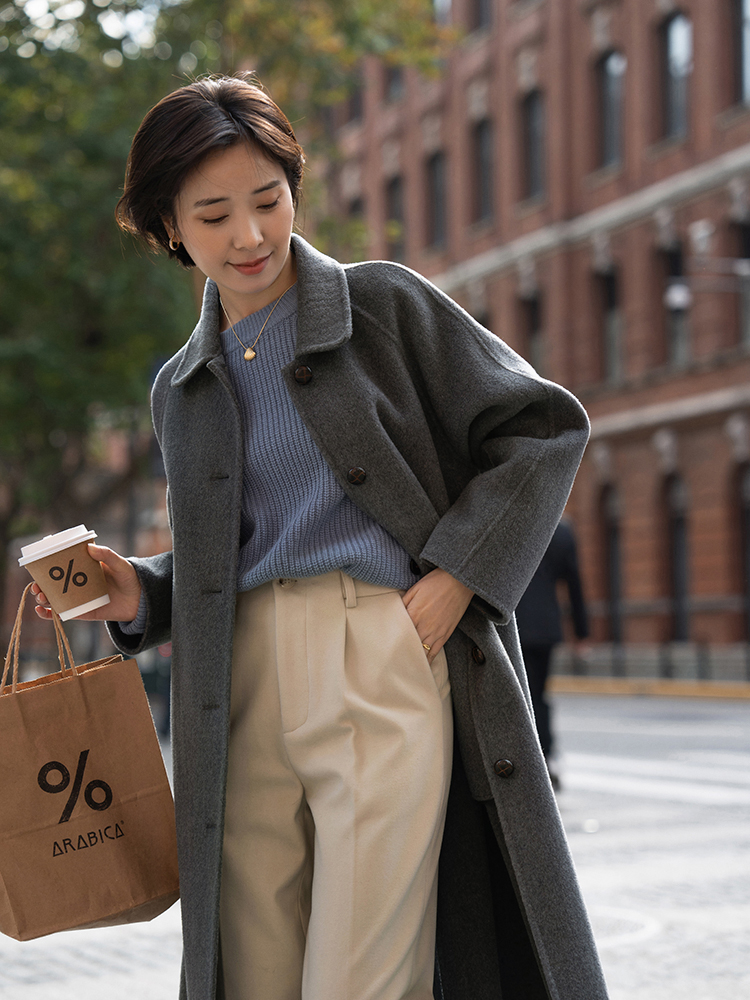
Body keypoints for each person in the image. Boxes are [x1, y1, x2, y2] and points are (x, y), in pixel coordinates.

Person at [32, 75, 608, 1000]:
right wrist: (143, 591)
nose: (250, 235)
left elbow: (543, 428)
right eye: (214, 214)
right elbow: (241, 553)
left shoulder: (383, 307)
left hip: (378, 653)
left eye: (268, 199)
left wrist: (457, 575)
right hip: (236, 688)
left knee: (361, 977)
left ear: (295, 189)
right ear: (172, 228)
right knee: (254, 972)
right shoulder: (183, 386)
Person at [516, 519, 590, 788]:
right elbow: (574, 582)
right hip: (546, 627)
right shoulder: (560, 532)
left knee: (519, 697)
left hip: (513, 625)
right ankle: (546, 758)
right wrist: (581, 633)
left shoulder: (513, 524)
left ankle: (527, 762)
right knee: (539, 696)